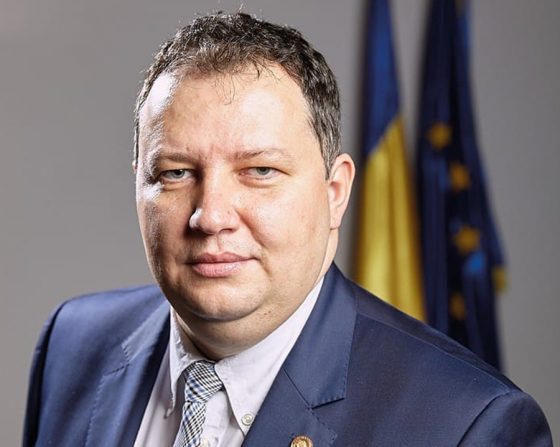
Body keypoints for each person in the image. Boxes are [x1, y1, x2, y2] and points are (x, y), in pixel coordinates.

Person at [23, 12, 552, 447]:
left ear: (335, 192)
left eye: (259, 171)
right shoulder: (72, 345)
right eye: (176, 173)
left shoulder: (466, 425)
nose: (211, 216)